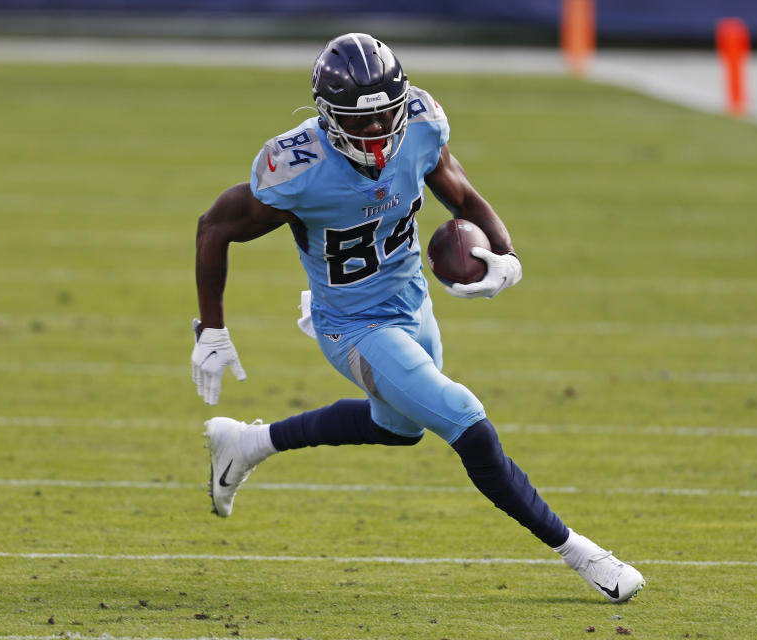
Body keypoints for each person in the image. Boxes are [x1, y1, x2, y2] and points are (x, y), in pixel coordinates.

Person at [191, 33, 644, 604]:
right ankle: (584, 554)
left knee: (397, 428)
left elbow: (466, 199)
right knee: (467, 421)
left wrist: (505, 257)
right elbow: (215, 227)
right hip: (352, 326)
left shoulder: (422, 126)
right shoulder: (297, 167)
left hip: (412, 303)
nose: (380, 134)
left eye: (387, 117)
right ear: (328, 119)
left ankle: (249, 444)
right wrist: (212, 328)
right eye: (365, 123)